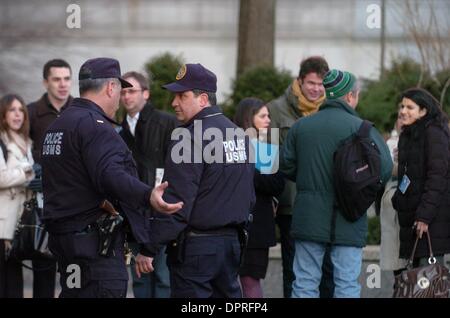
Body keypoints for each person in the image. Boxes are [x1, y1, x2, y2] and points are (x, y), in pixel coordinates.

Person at [40, 57, 182, 298]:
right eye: (120, 89)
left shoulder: (59, 124)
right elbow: (111, 175)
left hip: (65, 243)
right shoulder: (96, 127)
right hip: (93, 251)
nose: (121, 98)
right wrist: (147, 195)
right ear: (110, 87)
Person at [140, 63, 256, 298]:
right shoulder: (239, 135)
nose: (174, 103)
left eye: (182, 96)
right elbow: (248, 196)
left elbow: (176, 204)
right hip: (231, 246)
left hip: (197, 251)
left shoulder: (188, 138)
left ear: (203, 99)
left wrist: (148, 248)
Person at [281, 69, 392, 297]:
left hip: (308, 217)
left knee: (304, 282)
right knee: (347, 284)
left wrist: (308, 177)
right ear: (350, 96)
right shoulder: (363, 129)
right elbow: (385, 168)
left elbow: (286, 165)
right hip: (350, 216)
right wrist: (363, 188)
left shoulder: (301, 127)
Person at [267, 56, 334, 298]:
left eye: (321, 84)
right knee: (294, 269)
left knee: (328, 271)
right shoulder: (275, 109)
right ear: (299, 81)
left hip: (326, 204)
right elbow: (268, 156)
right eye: (311, 83)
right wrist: (271, 197)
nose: (316, 89)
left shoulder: (331, 109)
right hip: (291, 204)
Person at [119, 71, 177, 298]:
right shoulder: (119, 129)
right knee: (140, 279)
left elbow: (175, 169)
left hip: (162, 211)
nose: (126, 96)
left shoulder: (166, 122)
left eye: (131, 90)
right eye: (123, 91)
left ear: (146, 93)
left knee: (163, 277)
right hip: (133, 213)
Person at [27, 58, 73, 298]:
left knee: (75, 271)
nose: (63, 84)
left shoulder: (79, 110)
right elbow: (21, 153)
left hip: (74, 203)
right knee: (43, 269)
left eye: (67, 78)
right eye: (56, 79)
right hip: (43, 205)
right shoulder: (31, 113)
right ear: (46, 82)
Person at [392, 88, 450, 268]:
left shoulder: (434, 133)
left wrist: (424, 216)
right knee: (414, 279)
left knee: (428, 280)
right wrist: (398, 199)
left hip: (429, 222)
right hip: (412, 219)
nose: (403, 111)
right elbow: (408, 175)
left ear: (424, 111)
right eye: (402, 106)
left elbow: (438, 177)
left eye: (410, 107)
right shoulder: (408, 135)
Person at [234, 97, 285, 298]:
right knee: (229, 282)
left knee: (250, 281)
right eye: (262, 116)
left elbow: (277, 184)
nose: (268, 120)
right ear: (248, 118)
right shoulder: (229, 146)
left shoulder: (269, 149)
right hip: (232, 224)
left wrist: (249, 171)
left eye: (269, 116)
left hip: (258, 228)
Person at [0, 94, 35, 298]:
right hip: (3, 222)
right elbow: (1, 178)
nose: (17, 114)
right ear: (3, 115)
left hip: (20, 221)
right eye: (12, 110)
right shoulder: (2, 142)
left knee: (15, 278)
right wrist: (28, 173)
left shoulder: (27, 142)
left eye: (21, 109)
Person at [379, 109, 407, 275]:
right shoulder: (390, 143)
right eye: (399, 116)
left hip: (415, 210)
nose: (402, 120)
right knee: (398, 265)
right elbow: (386, 171)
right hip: (394, 203)